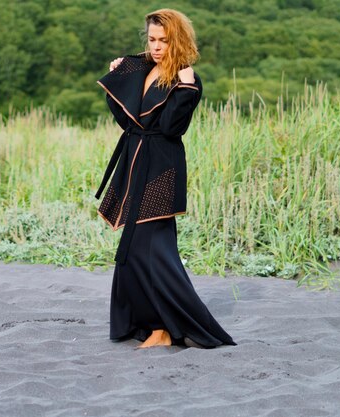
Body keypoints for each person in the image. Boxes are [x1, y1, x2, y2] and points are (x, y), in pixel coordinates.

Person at [94, 8, 237, 349]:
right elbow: (126, 121)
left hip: (162, 168)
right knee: (133, 247)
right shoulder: (139, 68)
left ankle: (163, 328)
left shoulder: (186, 78)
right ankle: (142, 324)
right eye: (152, 39)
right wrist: (118, 79)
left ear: (179, 40)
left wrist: (187, 90)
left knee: (153, 248)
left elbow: (173, 128)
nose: (157, 47)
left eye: (164, 40)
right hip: (133, 164)